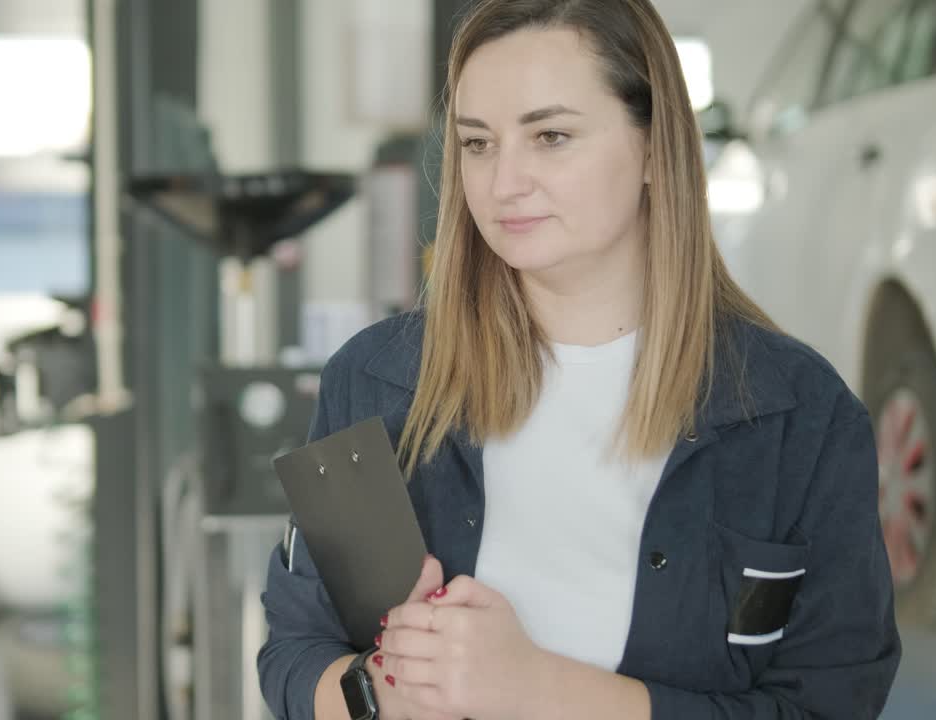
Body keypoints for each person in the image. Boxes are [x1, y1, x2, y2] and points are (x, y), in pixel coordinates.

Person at [257, 0, 901, 718]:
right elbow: (294, 650)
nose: (503, 184)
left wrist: (535, 687)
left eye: (552, 136)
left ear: (655, 147)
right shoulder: (375, 383)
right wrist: (382, 696)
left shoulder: (800, 419)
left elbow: (833, 701)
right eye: (477, 144)